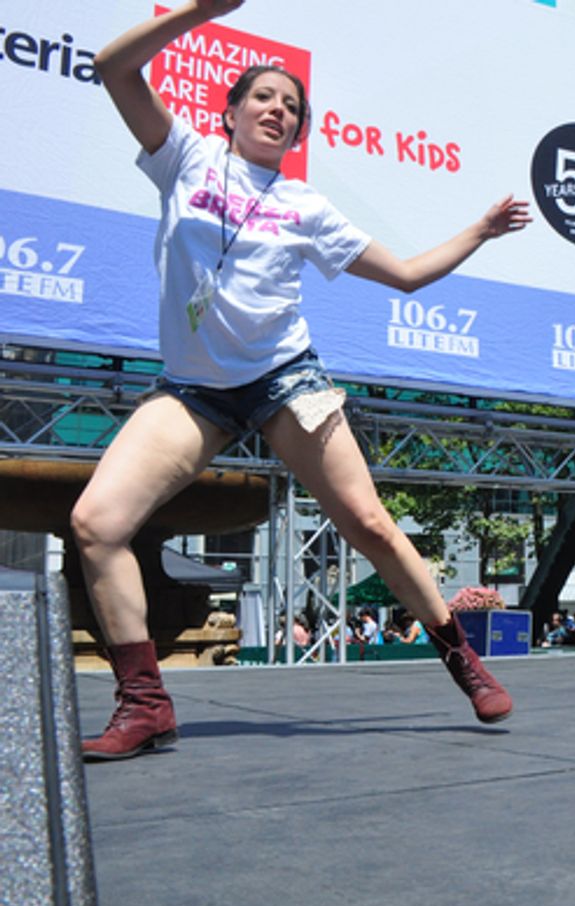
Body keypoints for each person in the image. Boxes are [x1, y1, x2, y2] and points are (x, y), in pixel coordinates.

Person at [74, 0, 527, 762]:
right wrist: (202, 11)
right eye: (264, 97)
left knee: (370, 524)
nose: (279, 109)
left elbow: (410, 276)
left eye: (292, 106)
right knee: (96, 525)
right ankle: (145, 703)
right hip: (194, 390)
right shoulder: (183, 156)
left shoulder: (304, 206)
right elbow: (112, 68)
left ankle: (461, 657)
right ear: (228, 112)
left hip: (285, 378)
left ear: (299, 132)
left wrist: (478, 232)